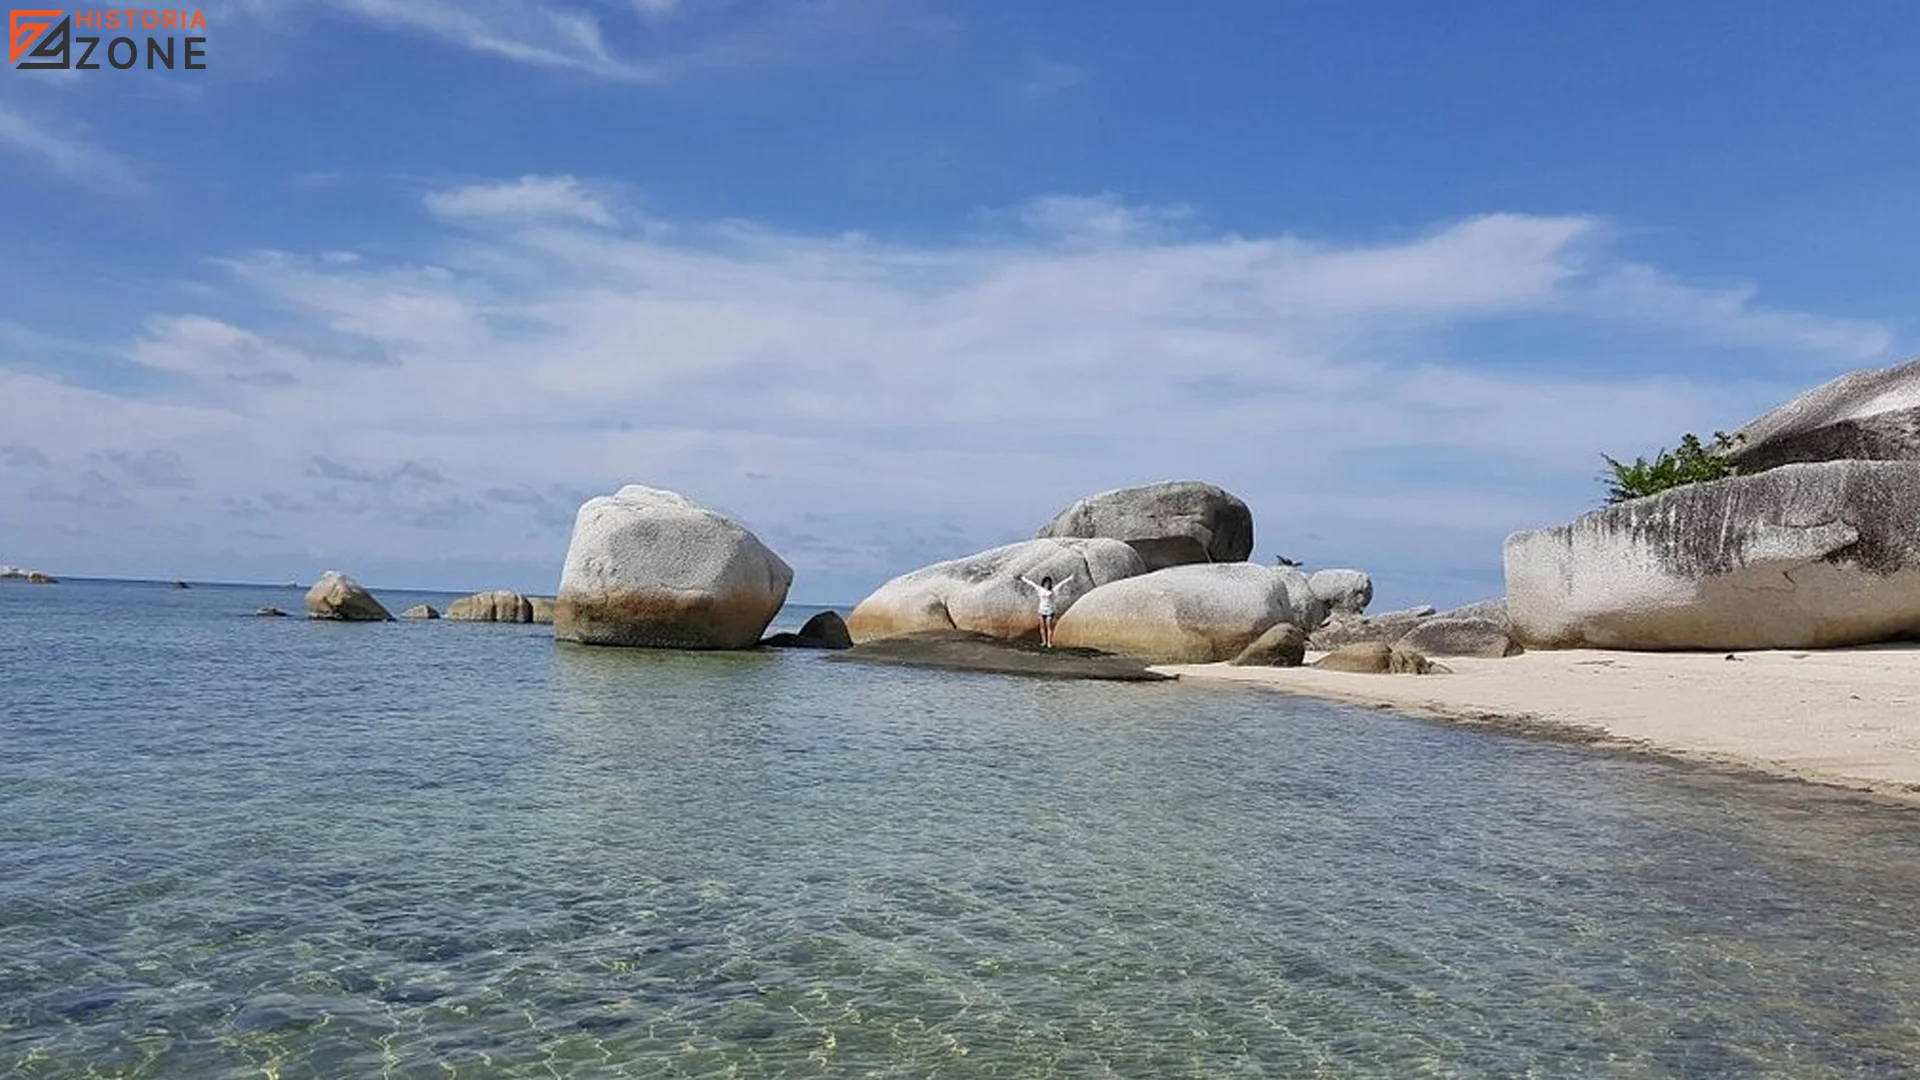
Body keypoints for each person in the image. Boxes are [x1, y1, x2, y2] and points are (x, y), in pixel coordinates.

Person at [1016, 572, 1074, 647]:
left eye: (1049, 583)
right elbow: (1031, 584)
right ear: (1043, 583)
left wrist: (1070, 578)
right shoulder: (1040, 589)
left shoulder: (1052, 591)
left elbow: (1061, 584)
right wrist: (1023, 578)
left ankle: (1049, 642)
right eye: (1046, 583)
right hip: (1041, 610)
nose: (1047, 584)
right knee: (1042, 627)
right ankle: (1044, 642)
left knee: (1048, 626)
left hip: (1049, 611)